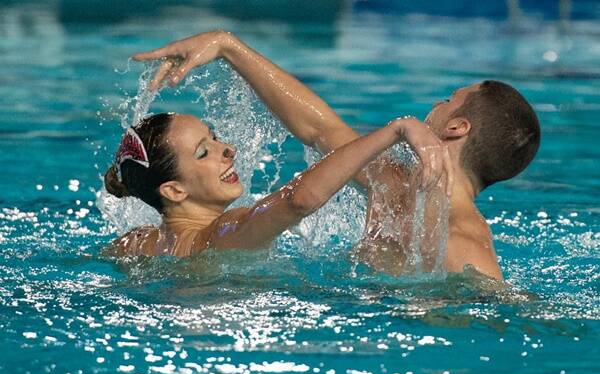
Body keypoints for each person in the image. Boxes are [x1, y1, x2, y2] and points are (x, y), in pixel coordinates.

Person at [131, 31, 540, 280]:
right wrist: (228, 46)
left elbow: (494, 313)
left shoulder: (466, 245)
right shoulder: (394, 182)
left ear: (457, 128)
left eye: (450, 99)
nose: (438, 101)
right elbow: (319, 129)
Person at [104, 110, 446, 257]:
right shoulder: (221, 234)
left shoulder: (136, 244)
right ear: (175, 191)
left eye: (216, 137)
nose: (228, 150)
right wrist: (395, 131)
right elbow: (298, 200)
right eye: (204, 152)